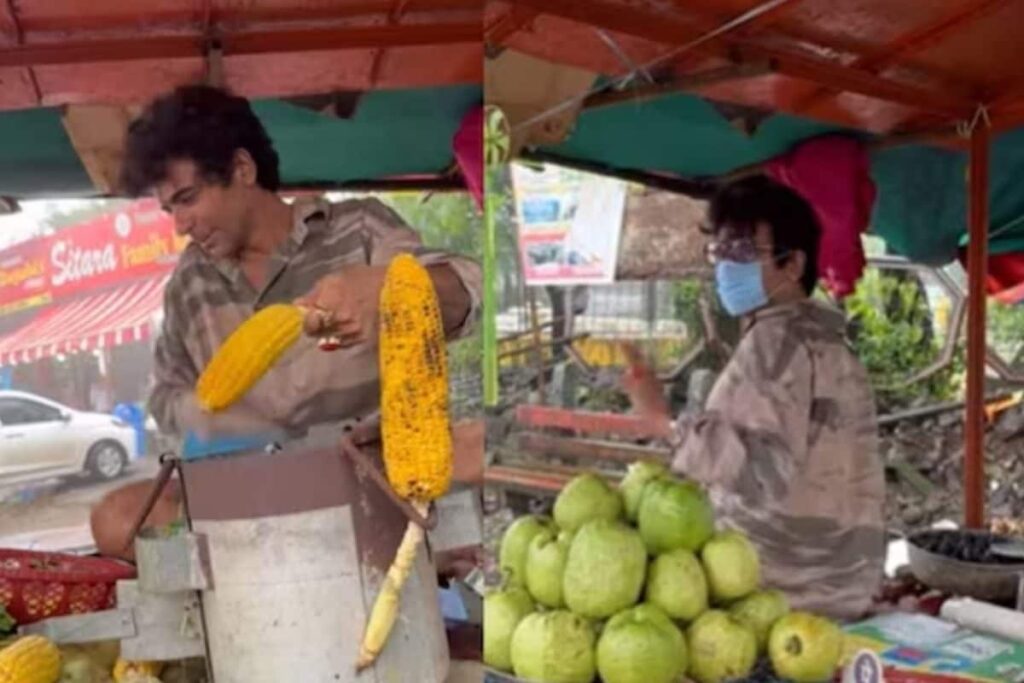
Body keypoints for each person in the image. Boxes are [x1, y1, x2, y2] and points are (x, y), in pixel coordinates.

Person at [89, 84, 483, 560]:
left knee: (476, 455)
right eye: (170, 209)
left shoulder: (358, 229)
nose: (180, 225)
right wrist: (204, 412)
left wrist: (391, 285)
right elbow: (165, 395)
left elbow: (468, 289)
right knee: (115, 519)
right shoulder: (189, 286)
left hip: (373, 477)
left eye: (188, 198)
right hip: (250, 491)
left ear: (242, 169)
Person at [622, 175, 885, 621]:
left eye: (743, 252)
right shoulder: (830, 343)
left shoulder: (775, 343)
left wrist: (664, 422)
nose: (726, 267)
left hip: (781, 597)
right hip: (841, 588)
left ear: (793, 263)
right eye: (719, 252)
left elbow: (762, 473)